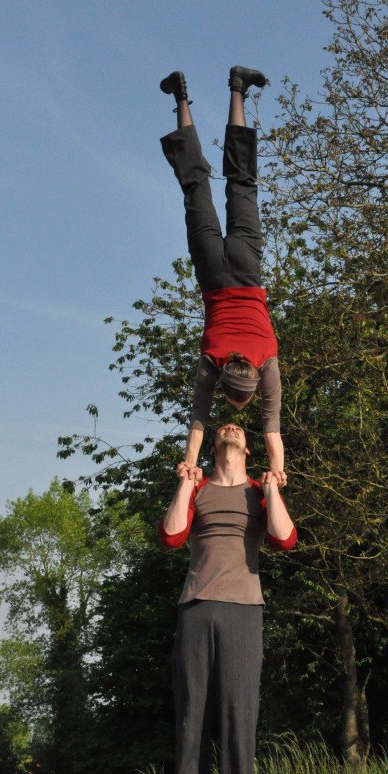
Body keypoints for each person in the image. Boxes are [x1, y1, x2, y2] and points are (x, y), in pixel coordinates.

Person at [157, 422, 297, 774]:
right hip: (197, 606)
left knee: (240, 718)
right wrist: (185, 483)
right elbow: (171, 535)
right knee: (191, 718)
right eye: (222, 428)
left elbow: (284, 539)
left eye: (236, 427)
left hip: (243, 610)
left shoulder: (257, 491)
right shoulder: (199, 488)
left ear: (247, 448)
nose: (230, 428)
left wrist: (273, 490)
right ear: (215, 446)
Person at [160, 66, 287, 486]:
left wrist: (278, 469)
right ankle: (179, 96)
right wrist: (189, 462)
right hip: (213, 273)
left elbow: (272, 431)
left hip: (248, 268)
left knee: (242, 182)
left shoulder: (266, 359)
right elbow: (198, 419)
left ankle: (237, 86)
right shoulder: (213, 361)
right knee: (196, 186)